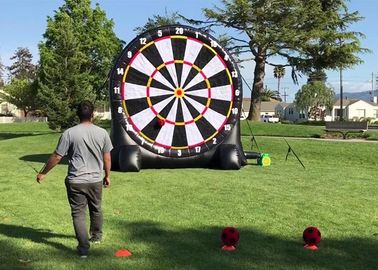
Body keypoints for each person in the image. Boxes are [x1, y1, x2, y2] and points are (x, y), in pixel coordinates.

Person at [36, 100, 113, 258]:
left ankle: (83, 249)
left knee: (78, 214)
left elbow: (57, 156)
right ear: (92, 114)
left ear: (77, 114)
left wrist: (43, 173)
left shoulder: (69, 133)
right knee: (96, 208)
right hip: (95, 180)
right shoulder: (102, 133)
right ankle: (96, 237)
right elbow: (107, 157)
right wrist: (107, 175)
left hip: (75, 180)